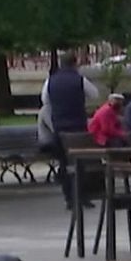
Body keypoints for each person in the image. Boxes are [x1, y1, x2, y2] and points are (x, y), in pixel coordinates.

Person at [42, 52, 100, 209]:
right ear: (75, 64)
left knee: (64, 163)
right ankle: (82, 196)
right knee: (80, 163)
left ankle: (69, 198)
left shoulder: (50, 81)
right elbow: (95, 94)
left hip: (60, 129)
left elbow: (45, 101)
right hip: (78, 128)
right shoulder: (80, 80)